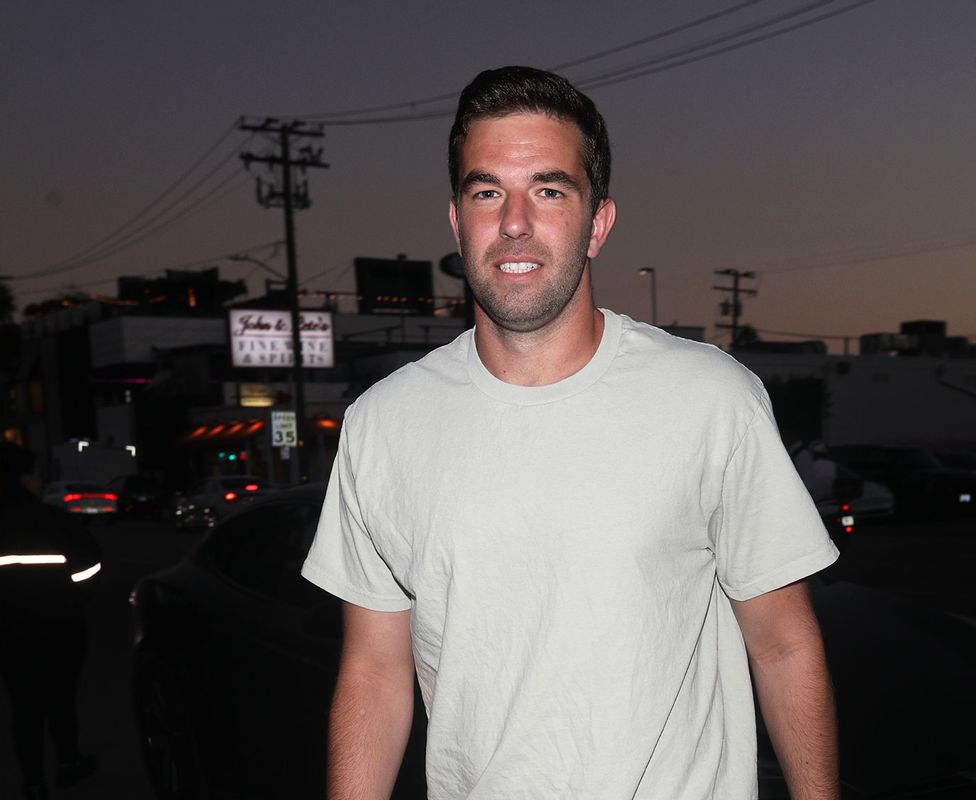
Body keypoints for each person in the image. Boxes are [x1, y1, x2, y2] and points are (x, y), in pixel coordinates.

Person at [302, 66, 840, 799]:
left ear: (598, 223)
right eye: (487, 191)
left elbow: (782, 645)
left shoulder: (709, 398)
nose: (514, 222)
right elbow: (374, 670)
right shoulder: (381, 427)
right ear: (458, 223)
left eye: (549, 190)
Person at [0, 443, 100, 799]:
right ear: (24, 478)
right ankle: (68, 763)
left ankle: (33, 781)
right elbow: (90, 568)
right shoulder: (56, 520)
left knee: (24, 708)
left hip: (10, 634)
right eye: (36, 474)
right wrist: (71, 597)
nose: (40, 480)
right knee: (61, 700)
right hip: (61, 627)